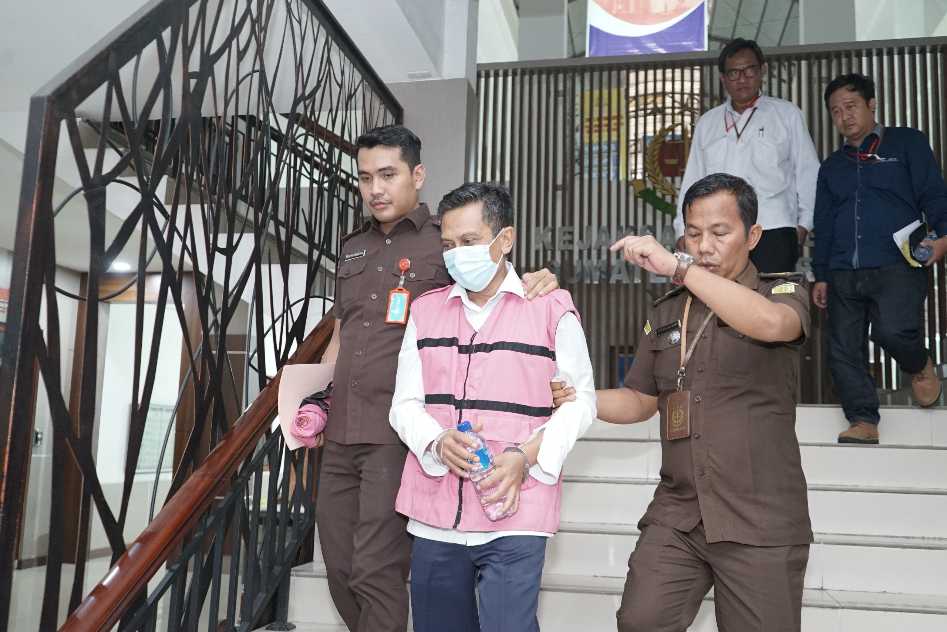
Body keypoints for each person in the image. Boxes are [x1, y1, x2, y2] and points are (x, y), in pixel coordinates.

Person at [315, 126, 557, 632]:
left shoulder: (442, 242)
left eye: (387, 174)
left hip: (397, 433)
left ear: (417, 174)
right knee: (339, 569)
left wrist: (540, 278)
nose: (375, 188)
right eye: (365, 177)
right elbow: (340, 333)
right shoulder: (352, 246)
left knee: (375, 570)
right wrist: (318, 399)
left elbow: (490, 286)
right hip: (339, 431)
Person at [558, 173, 812, 631]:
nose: (704, 247)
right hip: (680, 513)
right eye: (693, 234)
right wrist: (579, 399)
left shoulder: (781, 292)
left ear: (753, 235)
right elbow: (640, 399)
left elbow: (774, 325)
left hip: (758, 516)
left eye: (719, 232)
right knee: (641, 620)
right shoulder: (668, 309)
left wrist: (680, 269)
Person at [388, 183, 596, 632]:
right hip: (435, 515)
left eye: (469, 241)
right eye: (448, 245)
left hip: (516, 508)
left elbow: (581, 403)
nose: (456, 255)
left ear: (505, 240)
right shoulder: (425, 311)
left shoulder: (551, 308)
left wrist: (526, 457)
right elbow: (404, 404)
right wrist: (436, 442)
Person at [812, 73, 946, 444]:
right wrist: (821, 274)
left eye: (851, 106)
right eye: (836, 111)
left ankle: (919, 364)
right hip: (843, 269)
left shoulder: (907, 143)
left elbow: (934, 194)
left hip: (896, 263)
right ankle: (862, 419)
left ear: (872, 105)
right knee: (843, 348)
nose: (844, 116)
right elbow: (824, 223)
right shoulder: (832, 167)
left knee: (893, 331)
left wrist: (942, 236)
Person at [674, 38, 820, 274]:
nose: (742, 79)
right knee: (720, 295)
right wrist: (683, 229)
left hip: (774, 229)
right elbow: (693, 179)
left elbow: (808, 173)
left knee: (771, 295)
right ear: (723, 79)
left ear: (762, 70)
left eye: (749, 70)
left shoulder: (786, 115)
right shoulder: (708, 123)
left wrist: (803, 226)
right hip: (718, 232)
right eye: (734, 73)